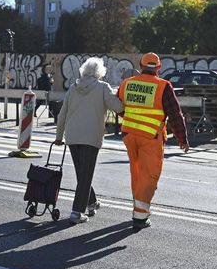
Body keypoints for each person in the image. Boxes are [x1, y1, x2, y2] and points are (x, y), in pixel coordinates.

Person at [117, 52, 189, 231]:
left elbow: (118, 107)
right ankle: (140, 216)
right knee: (149, 176)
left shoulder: (127, 83)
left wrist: (132, 118)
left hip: (129, 135)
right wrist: (182, 139)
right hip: (150, 137)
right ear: (158, 68)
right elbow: (175, 114)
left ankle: (137, 208)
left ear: (141, 66)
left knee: (137, 174)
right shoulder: (163, 86)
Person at [54, 57, 123, 224]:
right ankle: (76, 212)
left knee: (82, 173)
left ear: (84, 71)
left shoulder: (73, 88)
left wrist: (58, 137)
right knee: (85, 175)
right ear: (99, 73)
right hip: (91, 137)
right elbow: (119, 107)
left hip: (72, 136)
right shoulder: (103, 87)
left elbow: (62, 114)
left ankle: (91, 203)